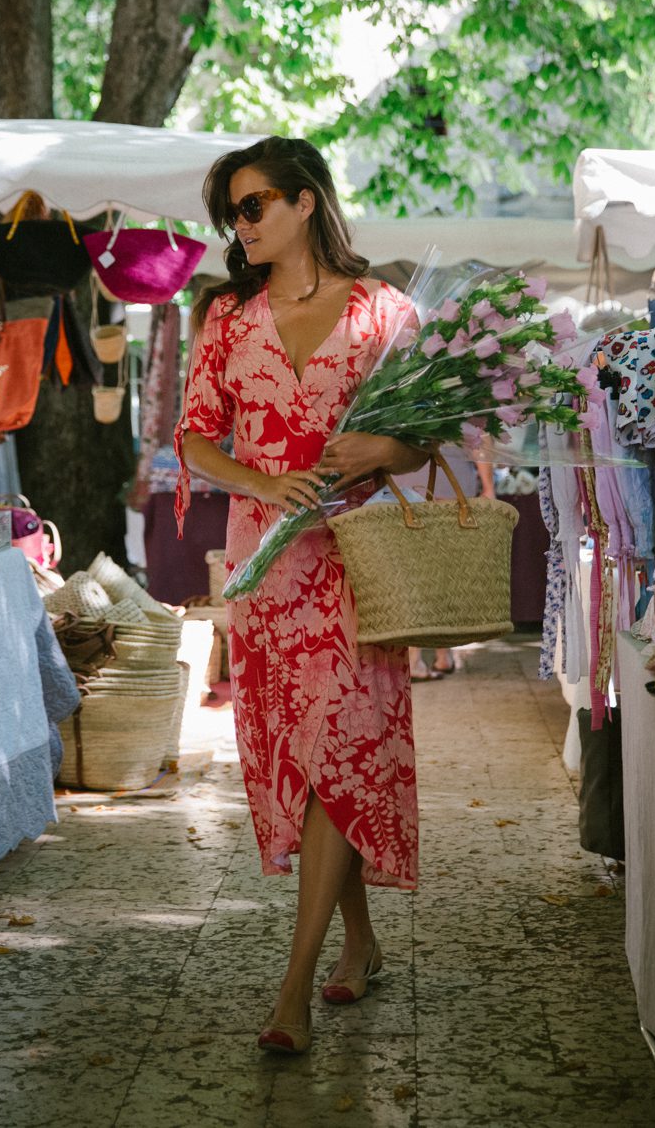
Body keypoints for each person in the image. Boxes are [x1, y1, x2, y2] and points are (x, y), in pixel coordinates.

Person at [175, 136, 426, 1056]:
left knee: (344, 748)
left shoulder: (383, 313)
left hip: (358, 563)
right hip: (268, 571)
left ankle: (293, 990)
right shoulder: (226, 321)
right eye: (230, 214)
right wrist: (259, 479)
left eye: (251, 208)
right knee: (316, 761)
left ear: (305, 203)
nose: (237, 229)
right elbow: (193, 439)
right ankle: (359, 938)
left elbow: (420, 440)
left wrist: (379, 452)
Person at [406, 451, 496, 679]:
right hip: (452, 476)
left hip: (407, 476)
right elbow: (483, 436)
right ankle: (443, 656)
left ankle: (413, 659)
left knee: (412, 570)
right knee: (445, 568)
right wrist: (488, 486)